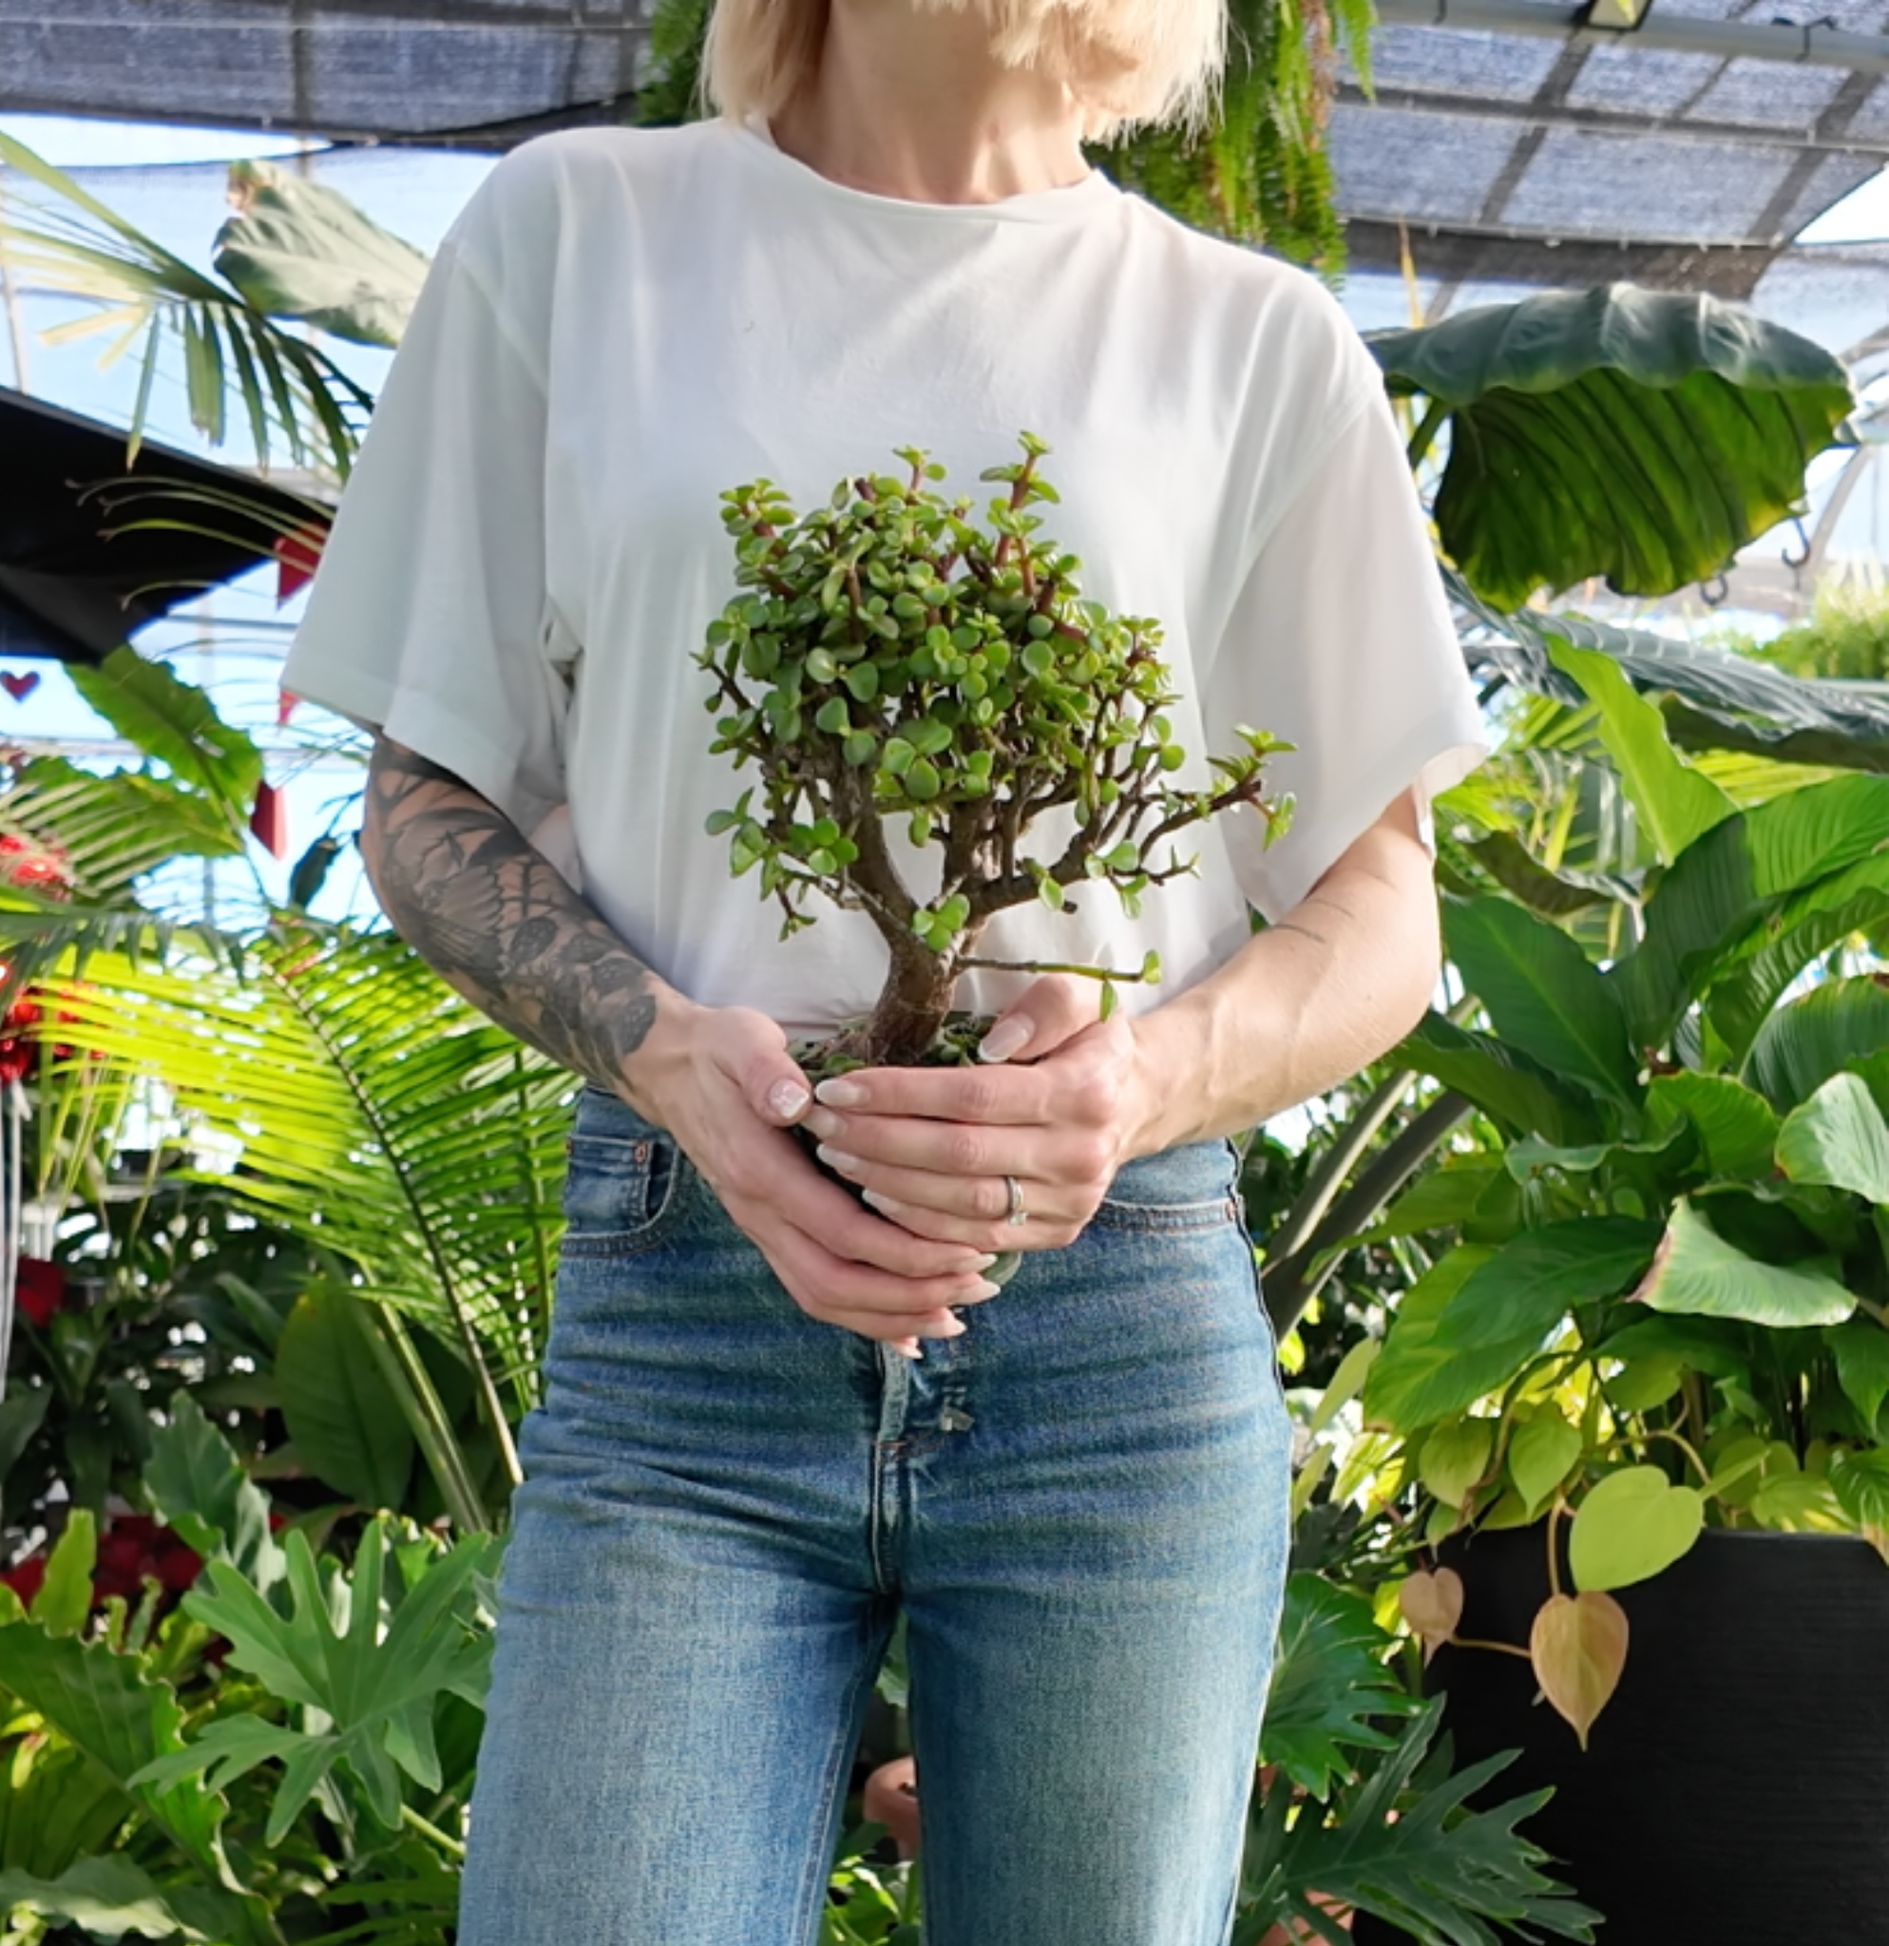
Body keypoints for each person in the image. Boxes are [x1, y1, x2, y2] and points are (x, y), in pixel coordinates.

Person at [280, 0, 1487, 1938]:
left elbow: (1382, 911)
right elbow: (424, 799)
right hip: (691, 1319)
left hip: (1115, 1340)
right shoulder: (576, 242)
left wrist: (1139, 1085)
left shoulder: (1251, 344)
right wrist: (675, 1058)